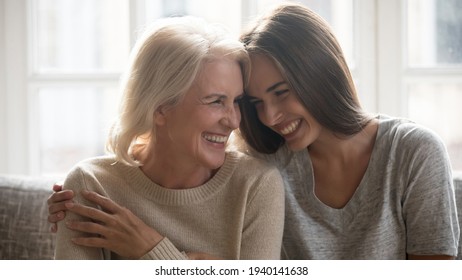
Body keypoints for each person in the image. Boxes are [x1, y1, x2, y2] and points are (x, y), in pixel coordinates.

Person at [48, 3, 460, 260]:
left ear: (318, 75)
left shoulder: (412, 152)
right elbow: (174, 151)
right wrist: (77, 194)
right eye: (256, 102)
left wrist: (154, 250)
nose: (268, 117)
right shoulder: (268, 159)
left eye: (281, 92)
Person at [51, 15, 285, 260]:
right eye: (216, 101)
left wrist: (150, 250)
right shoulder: (91, 186)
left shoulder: (256, 184)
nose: (234, 121)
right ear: (160, 107)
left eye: (236, 101)